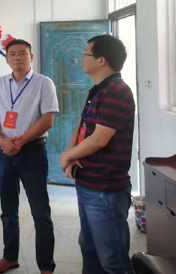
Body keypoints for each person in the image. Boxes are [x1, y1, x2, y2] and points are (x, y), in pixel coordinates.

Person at [60, 35, 135, 274]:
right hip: (88, 182)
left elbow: (100, 139)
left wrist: (65, 157)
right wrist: (71, 154)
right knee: (89, 247)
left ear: (101, 60)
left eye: (86, 54)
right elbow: (82, 125)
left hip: (105, 189)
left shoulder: (117, 91)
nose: (82, 58)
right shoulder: (98, 89)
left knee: (113, 260)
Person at [0, 39, 58, 274]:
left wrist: (21, 141)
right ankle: (10, 257)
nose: (17, 57)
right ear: (7, 59)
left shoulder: (44, 83)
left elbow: (47, 120)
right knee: (8, 209)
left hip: (32, 151)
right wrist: (2, 141)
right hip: (4, 151)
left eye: (22, 53)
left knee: (40, 211)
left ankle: (46, 266)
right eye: (13, 54)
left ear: (31, 57)